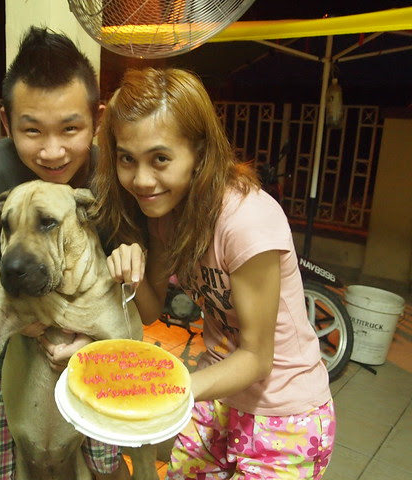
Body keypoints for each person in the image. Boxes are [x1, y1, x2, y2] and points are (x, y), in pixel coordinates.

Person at [92, 67, 336, 480]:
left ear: (200, 153)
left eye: (160, 159)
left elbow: (257, 358)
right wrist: (130, 273)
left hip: (285, 413)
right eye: (127, 159)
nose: (142, 180)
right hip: (218, 395)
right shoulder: (165, 215)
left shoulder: (246, 221)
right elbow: (149, 311)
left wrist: (168, 390)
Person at [0, 27, 129, 480]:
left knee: (104, 461)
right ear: (6, 121)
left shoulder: (110, 175)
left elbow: (117, 258)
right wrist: (21, 301)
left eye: (70, 128)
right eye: (32, 130)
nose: (52, 152)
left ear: (97, 119)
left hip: (86, 346)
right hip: (2, 349)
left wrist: (92, 334)